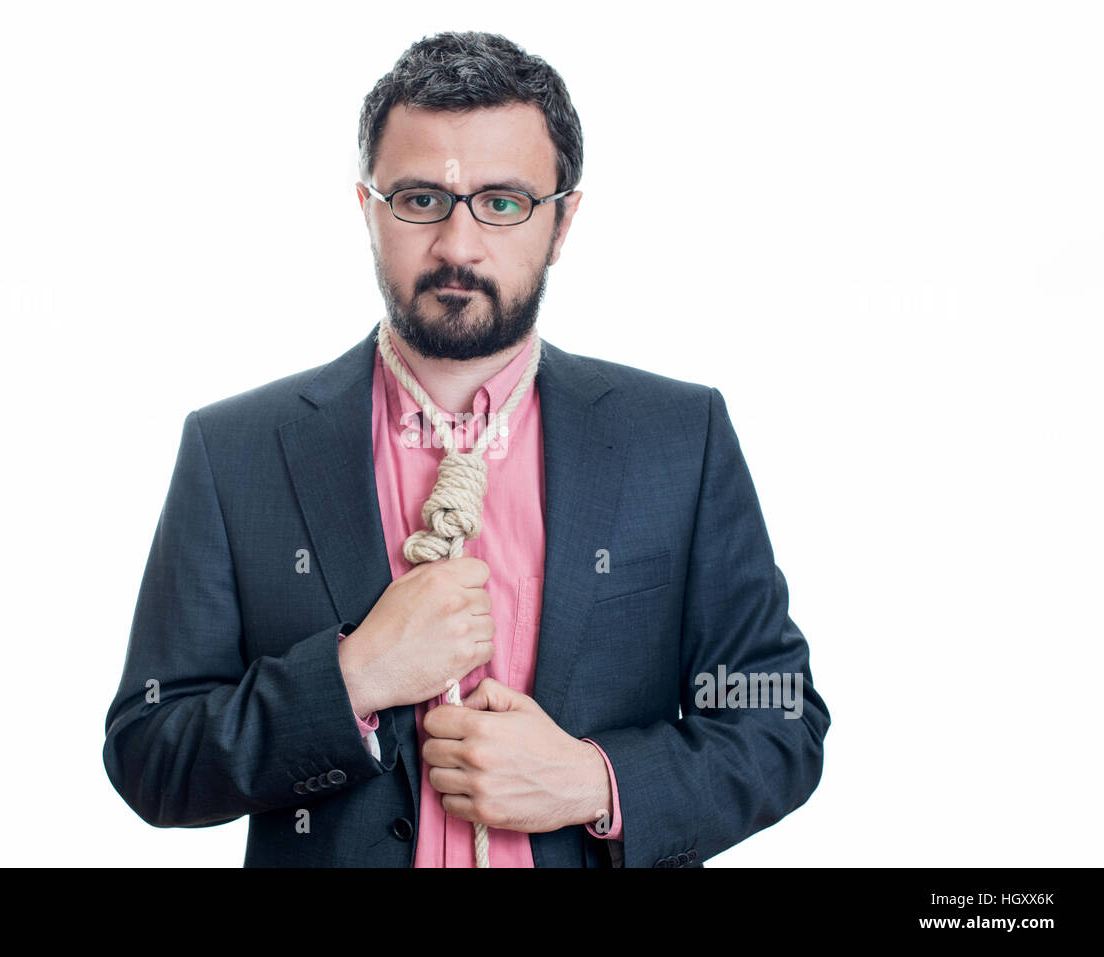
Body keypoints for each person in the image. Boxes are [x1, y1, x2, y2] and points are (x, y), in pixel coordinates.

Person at [102, 30, 830, 868]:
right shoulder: (235, 453)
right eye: (419, 200)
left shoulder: (680, 438)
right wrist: (350, 681)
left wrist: (596, 782)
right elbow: (149, 751)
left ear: (562, 223)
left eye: (504, 202)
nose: (457, 245)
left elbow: (779, 720)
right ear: (367, 209)